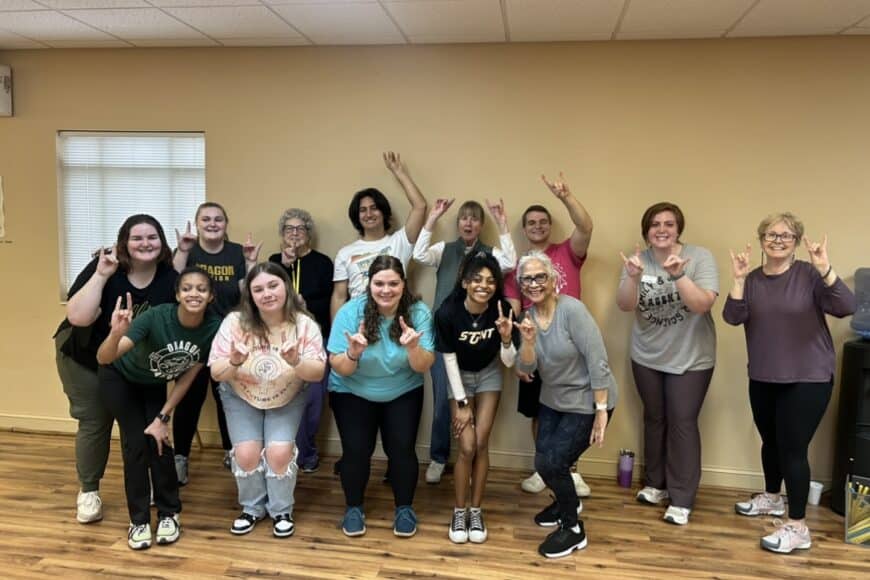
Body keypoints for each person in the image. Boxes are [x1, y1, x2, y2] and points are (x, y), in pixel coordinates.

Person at [723, 213, 856, 554]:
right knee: (771, 442)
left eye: (786, 235)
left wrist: (825, 267)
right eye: (771, 234)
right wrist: (737, 279)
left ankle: (798, 527)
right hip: (764, 375)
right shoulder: (752, 279)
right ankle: (772, 497)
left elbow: (846, 306)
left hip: (808, 377)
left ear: (797, 241)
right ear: (762, 239)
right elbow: (733, 317)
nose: (778, 240)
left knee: (793, 450)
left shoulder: (810, 275)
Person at [54, 214, 178, 525]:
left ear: (162, 243)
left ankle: (143, 483)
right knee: (96, 420)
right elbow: (79, 317)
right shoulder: (105, 267)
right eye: (137, 238)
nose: (145, 243)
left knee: (139, 424)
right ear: (124, 243)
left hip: (134, 362)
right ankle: (89, 491)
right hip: (84, 356)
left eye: (152, 237)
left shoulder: (168, 276)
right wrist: (101, 274)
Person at [96, 267, 221, 549]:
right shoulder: (155, 317)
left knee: (159, 439)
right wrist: (116, 334)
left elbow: (188, 376)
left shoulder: (213, 327)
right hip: (118, 379)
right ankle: (138, 520)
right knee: (137, 443)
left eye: (201, 289)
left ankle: (169, 513)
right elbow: (104, 357)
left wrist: (164, 416)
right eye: (187, 288)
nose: (194, 293)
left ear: (211, 296)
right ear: (177, 294)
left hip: (152, 382)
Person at [615, 202, 719, 526]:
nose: (662, 229)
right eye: (655, 224)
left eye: (669, 224)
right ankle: (656, 484)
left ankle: (682, 498)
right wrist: (632, 277)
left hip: (691, 357)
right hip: (647, 355)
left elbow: (702, 304)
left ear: (678, 229)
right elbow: (624, 304)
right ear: (646, 230)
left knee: (682, 423)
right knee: (654, 419)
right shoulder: (637, 260)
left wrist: (679, 275)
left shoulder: (699, 257)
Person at [208, 262, 326, 538]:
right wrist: (234, 361)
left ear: (286, 286)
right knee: (247, 454)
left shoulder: (305, 324)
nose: (267, 293)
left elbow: (317, 372)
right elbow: (216, 373)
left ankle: (281, 510)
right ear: (250, 294)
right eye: (258, 289)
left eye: (273, 285)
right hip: (240, 395)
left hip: (287, 395)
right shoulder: (234, 322)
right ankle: (251, 508)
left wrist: (296, 360)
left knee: (279, 453)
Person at [514, 252, 617, 558]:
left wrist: (601, 411)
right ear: (521, 284)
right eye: (527, 279)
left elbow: (598, 360)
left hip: (588, 400)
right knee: (543, 460)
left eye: (540, 277)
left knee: (553, 463)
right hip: (553, 399)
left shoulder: (572, 311)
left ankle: (573, 528)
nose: (534, 284)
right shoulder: (528, 318)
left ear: (553, 279)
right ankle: (564, 501)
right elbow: (526, 369)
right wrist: (529, 343)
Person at [327, 256, 435, 538]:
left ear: (403, 285)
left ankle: (404, 508)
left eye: (393, 283)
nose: (386, 290)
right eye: (379, 283)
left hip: (402, 389)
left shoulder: (419, 312)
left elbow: (424, 365)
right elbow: (339, 366)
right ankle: (353, 508)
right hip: (352, 389)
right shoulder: (351, 312)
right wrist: (353, 353)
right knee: (356, 451)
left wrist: (413, 348)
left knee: (401, 449)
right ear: (369, 284)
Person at [413, 197, 517, 484]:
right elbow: (419, 254)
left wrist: (502, 222)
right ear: (458, 223)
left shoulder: (490, 253)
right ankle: (438, 456)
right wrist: (432, 217)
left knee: (476, 410)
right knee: (443, 405)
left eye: (474, 218)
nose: (468, 223)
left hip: (478, 343)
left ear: (481, 225)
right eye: (464, 218)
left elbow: (510, 262)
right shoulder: (444, 250)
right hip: (445, 341)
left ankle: (469, 459)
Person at [504, 173, 594, 497]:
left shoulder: (567, 251)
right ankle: (543, 467)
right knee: (541, 410)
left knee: (574, 408)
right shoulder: (518, 267)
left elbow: (585, 227)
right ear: (525, 229)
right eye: (531, 222)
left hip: (571, 349)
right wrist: (517, 353)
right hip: (536, 348)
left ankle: (571, 469)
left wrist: (566, 197)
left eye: (543, 221)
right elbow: (514, 313)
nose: (538, 226)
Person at [172, 201, 262, 483]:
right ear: (197, 224)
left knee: (229, 397)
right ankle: (180, 458)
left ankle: (231, 450)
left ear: (226, 224)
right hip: (192, 335)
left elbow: (249, 294)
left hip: (227, 336)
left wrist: (249, 263)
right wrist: (182, 251)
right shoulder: (189, 250)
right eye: (206, 219)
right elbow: (171, 284)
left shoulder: (237, 252)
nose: (212, 224)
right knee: (189, 397)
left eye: (218, 219)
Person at [434, 253, 518, 544]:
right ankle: (459, 511)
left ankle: (476, 510)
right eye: (478, 279)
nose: (484, 285)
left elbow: (508, 362)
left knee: (482, 443)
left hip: (490, 373)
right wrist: (461, 404)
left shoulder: (503, 308)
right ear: (465, 281)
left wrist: (507, 339)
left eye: (491, 281)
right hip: (459, 377)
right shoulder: (448, 311)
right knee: (466, 446)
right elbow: (447, 359)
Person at [269, 208, 334, 473]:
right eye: (289, 229)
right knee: (283, 398)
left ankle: (306, 452)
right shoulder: (275, 261)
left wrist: (308, 305)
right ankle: (283, 453)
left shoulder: (323, 262)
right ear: (282, 234)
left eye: (300, 229)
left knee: (313, 401)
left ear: (309, 234)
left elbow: (330, 299)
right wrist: (284, 266)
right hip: (280, 340)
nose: (295, 234)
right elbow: (265, 293)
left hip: (314, 338)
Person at [330, 152, 428, 319]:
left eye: (374, 208)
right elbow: (339, 297)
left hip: (396, 321)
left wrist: (398, 172)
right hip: (358, 324)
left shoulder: (400, 241)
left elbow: (420, 206)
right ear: (357, 217)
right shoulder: (345, 253)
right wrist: (337, 338)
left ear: (383, 212)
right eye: (362, 210)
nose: (369, 214)